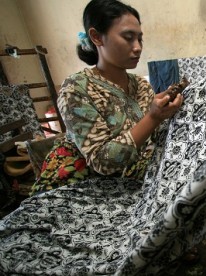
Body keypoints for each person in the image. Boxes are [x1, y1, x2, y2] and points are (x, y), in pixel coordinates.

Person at [30, 0, 184, 195]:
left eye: (140, 39)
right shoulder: (77, 89)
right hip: (80, 186)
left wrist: (166, 112)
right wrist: (153, 117)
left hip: (132, 180)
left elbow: (152, 139)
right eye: (128, 38)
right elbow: (102, 162)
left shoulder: (142, 86)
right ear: (96, 37)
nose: (137, 47)